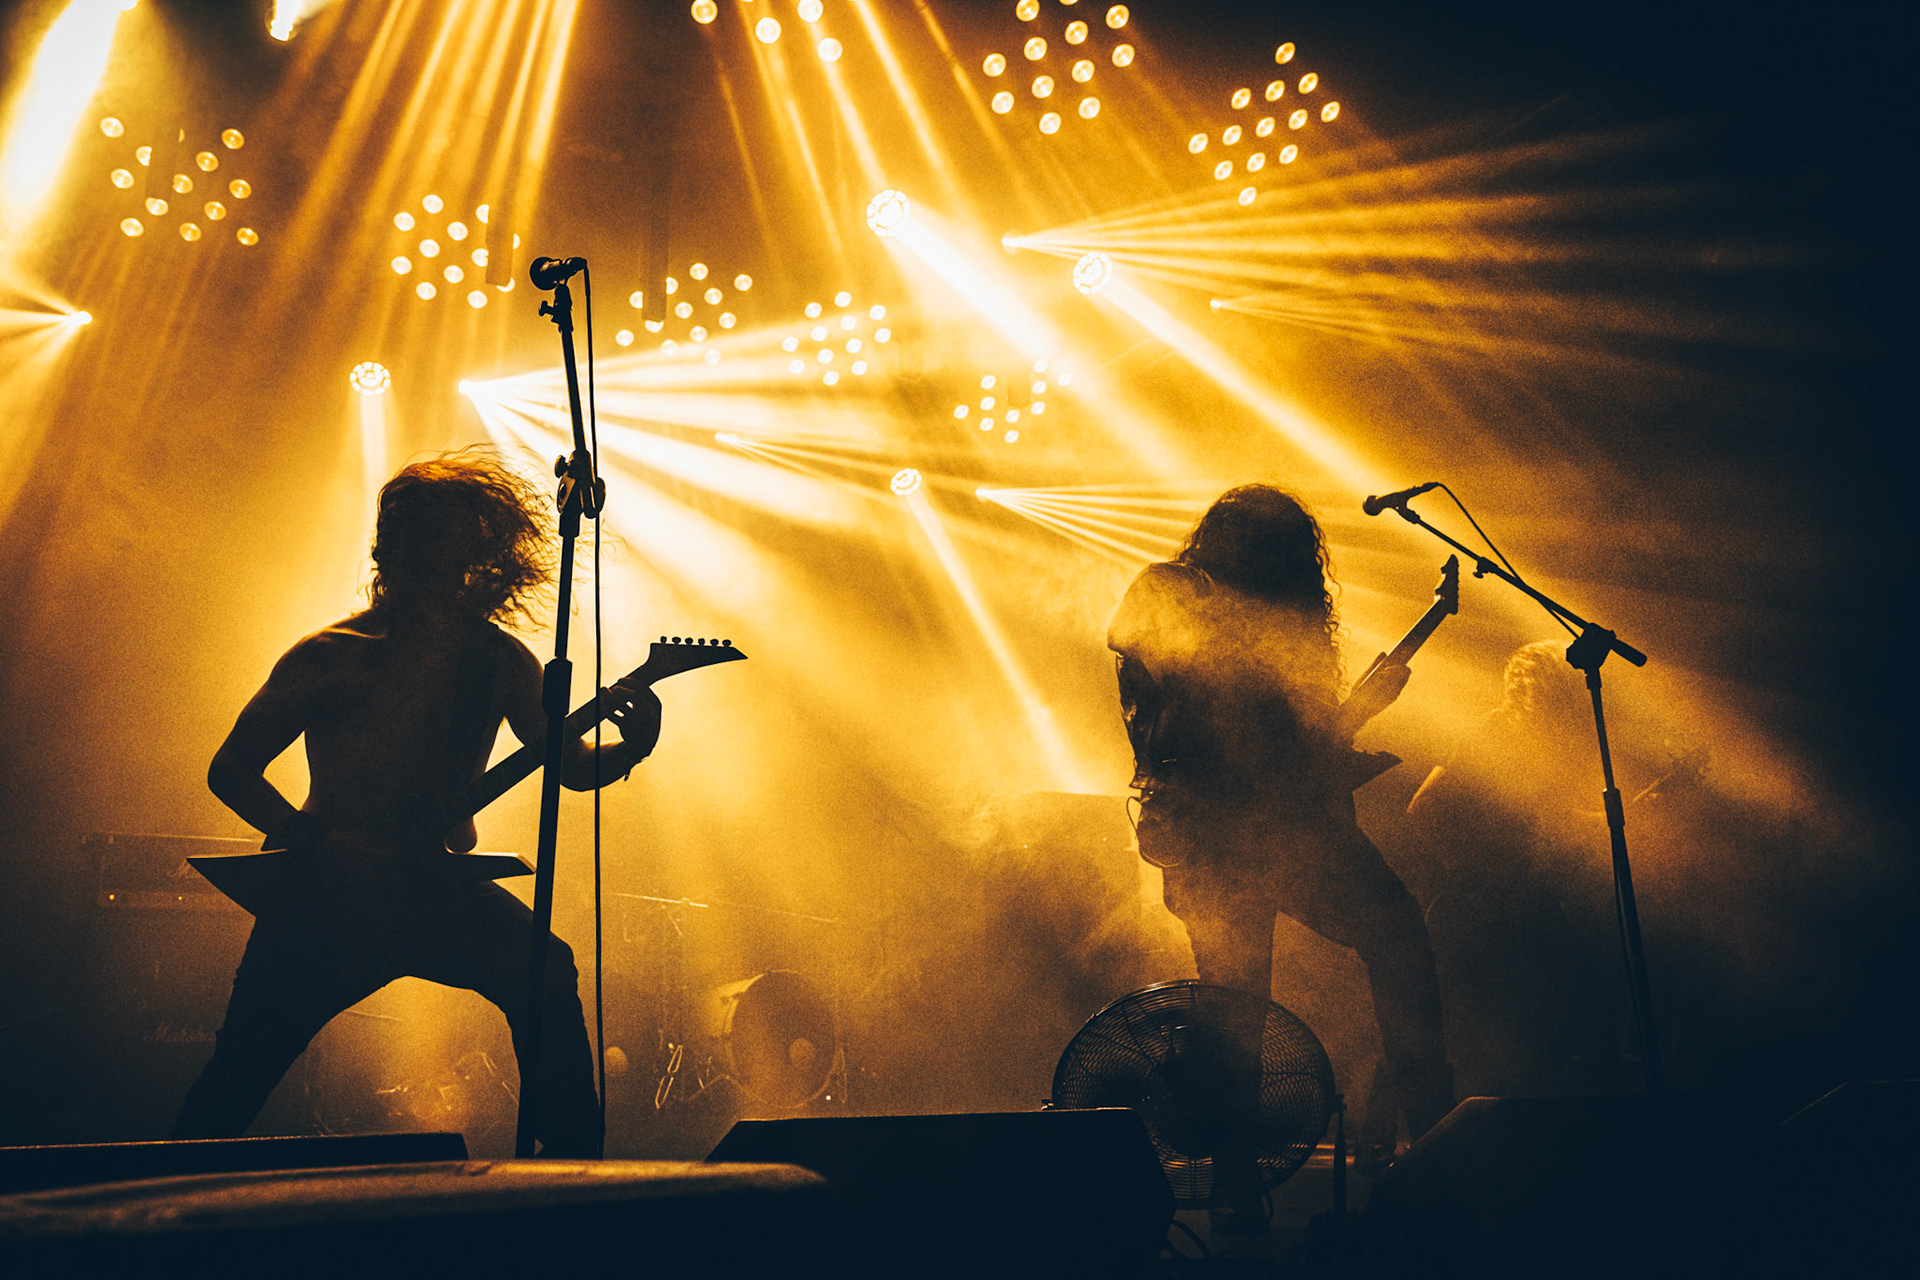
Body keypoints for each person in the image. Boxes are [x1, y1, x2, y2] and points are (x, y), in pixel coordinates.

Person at [173, 450, 660, 1156]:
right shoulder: (332, 653)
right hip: (326, 899)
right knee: (239, 1073)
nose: (454, 559)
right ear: (398, 548)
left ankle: (575, 1180)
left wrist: (633, 748)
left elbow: (571, 770)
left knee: (545, 971)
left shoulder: (498, 660)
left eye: (465, 542)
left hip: (429, 889)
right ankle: (149, 1221)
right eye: (439, 541)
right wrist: (310, 840)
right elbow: (232, 770)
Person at [1107, 484, 1452, 1226]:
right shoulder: (1168, 590)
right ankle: (1248, 1200)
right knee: (1244, 1008)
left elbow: (1284, 744)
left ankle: (1427, 1127)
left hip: (1279, 828)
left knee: (1356, 953)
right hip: (1218, 829)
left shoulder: (1270, 623)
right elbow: (1193, 712)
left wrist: (1350, 727)